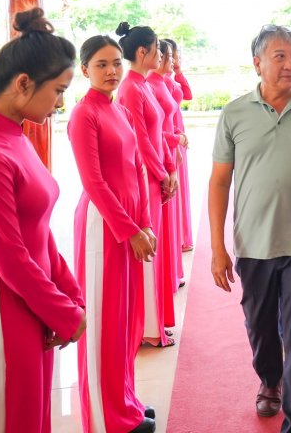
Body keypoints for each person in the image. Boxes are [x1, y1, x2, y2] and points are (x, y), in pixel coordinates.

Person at [0, 7, 86, 433]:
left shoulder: (15, 136)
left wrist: (68, 294)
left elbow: (37, 230)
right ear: (24, 83)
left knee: (27, 412)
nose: (60, 103)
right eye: (58, 91)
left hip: (26, 297)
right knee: (2, 416)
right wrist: (63, 312)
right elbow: (8, 256)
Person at [209, 25, 291, 433]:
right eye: (280, 56)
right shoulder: (234, 113)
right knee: (261, 326)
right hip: (253, 243)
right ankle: (269, 379)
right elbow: (219, 182)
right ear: (258, 64)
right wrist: (217, 247)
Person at [68, 35, 157, 433]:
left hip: (129, 223)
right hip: (102, 227)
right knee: (104, 323)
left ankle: (125, 402)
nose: (111, 71)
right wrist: (128, 229)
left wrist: (145, 223)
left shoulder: (118, 108)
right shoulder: (84, 114)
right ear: (84, 69)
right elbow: (94, 181)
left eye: (117, 63)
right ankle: (108, 420)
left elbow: (137, 167)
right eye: (101, 64)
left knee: (125, 321)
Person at [116, 22, 177, 348]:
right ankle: (147, 327)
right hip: (144, 179)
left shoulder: (144, 85)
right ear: (143, 52)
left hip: (155, 177)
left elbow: (158, 132)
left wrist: (169, 168)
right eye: (156, 50)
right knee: (148, 252)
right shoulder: (130, 88)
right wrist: (161, 172)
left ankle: (154, 322)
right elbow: (140, 141)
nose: (161, 55)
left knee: (156, 250)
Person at [147, 40, 185, 291]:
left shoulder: (157, 83)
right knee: (161, 224)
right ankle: (164, 280)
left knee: (169, 222)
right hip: (159, 158)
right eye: (166, 55)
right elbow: (148, 135)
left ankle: (170, 274)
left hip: (167, 153)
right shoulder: (147, 85)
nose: (169, 59)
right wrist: (164, 170)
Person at [164, 39, 195, 252]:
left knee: (181, 183)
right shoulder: (160, 82)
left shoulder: (170, 79)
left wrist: (179, 71)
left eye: (176, 55)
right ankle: (177, 237)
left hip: (177, 128)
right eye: (173, 55)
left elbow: (188, 94)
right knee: (173, 183)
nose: (176, 59)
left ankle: (182, 235)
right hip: (171, 132)